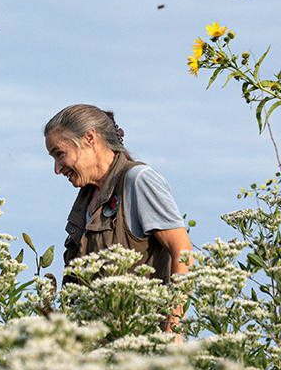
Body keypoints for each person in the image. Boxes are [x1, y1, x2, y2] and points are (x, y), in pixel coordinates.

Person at [44, 104, 192, 334]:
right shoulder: (85, 198)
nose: (56, 169)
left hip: (140, 352)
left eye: (60, 154)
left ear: (89, 138)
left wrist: (173, 331)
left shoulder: (138, 181)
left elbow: (183, 252)